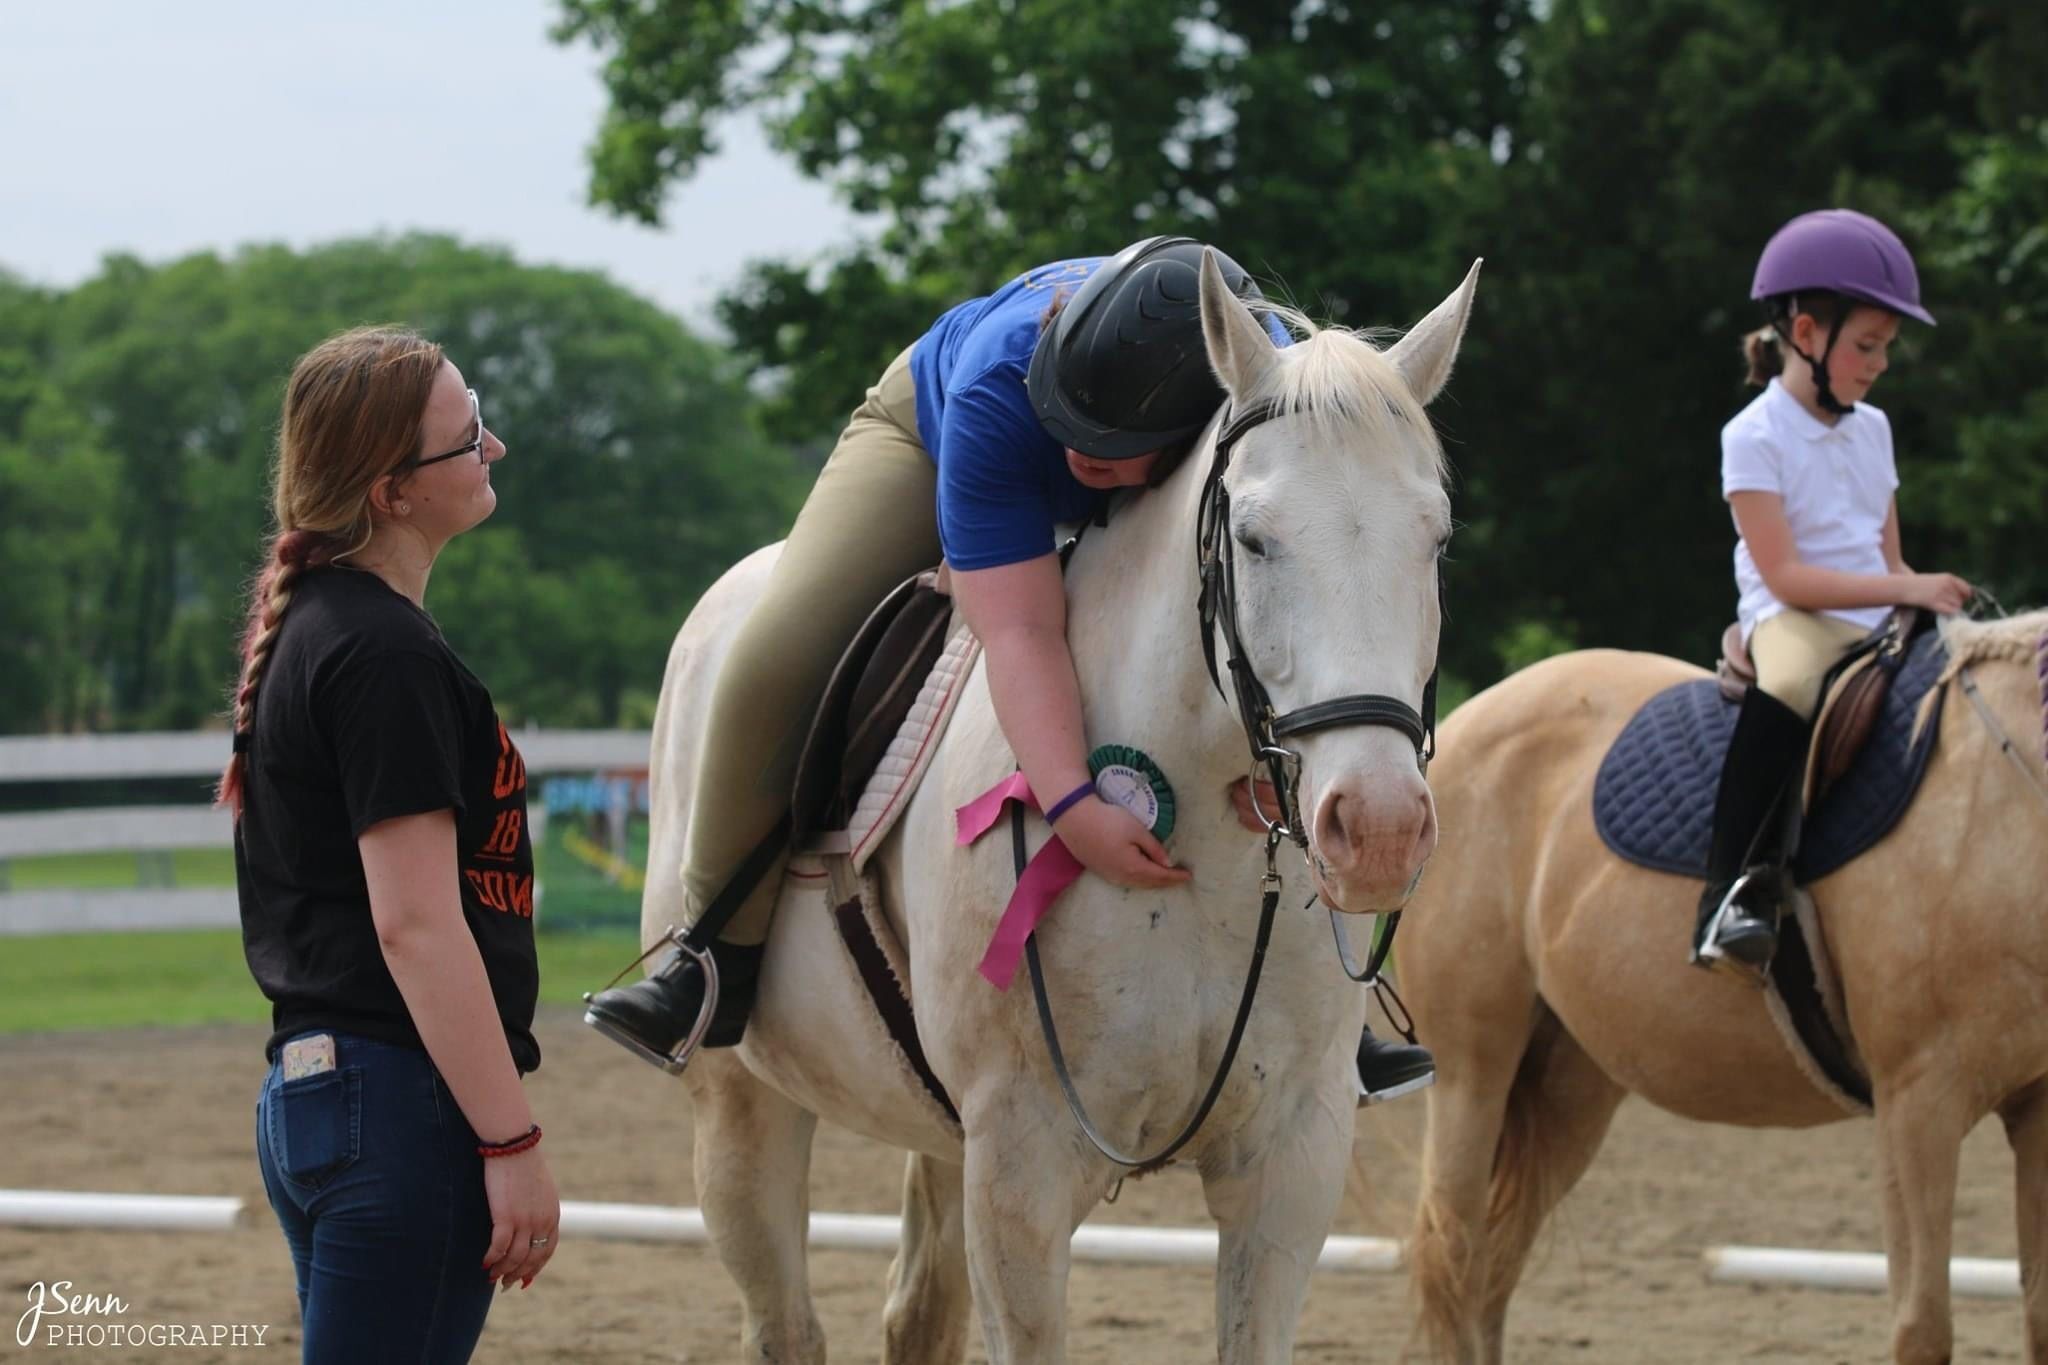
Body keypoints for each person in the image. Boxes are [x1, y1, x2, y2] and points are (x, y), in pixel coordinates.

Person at [584, 236, 1435, 1101]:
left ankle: (1333, 1003)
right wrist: (1068, 802)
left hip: (1192, 465)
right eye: (1071, 420)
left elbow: (1306, 601)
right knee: (777, 654)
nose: (1081, 454)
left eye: (1109, 442)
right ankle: (709, 956)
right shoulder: (1005, 391)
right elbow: (1022, 630)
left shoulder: (1275, 397)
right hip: (937, 432)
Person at [223, 326, 560, 1363]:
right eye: (465, 439)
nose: (492, 448)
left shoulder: (323, 628)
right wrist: (511, 1139)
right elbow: (414, 925)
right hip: (399, 1109)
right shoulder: (382, 654)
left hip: (323, 1098)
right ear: (391, 491)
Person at [1693, 209, 1974, 974]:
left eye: (1887, 348)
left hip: (1879, 613)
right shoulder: (1752, 435)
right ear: (1808, 334)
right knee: (1786, 684)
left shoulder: (1874, 429)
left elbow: (1886, 552)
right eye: (1867, 345)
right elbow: (1784, 574)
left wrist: (1916, 597)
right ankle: (1729, 890)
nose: (1880, 363)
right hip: (1795, 618)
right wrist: (1906, 584)